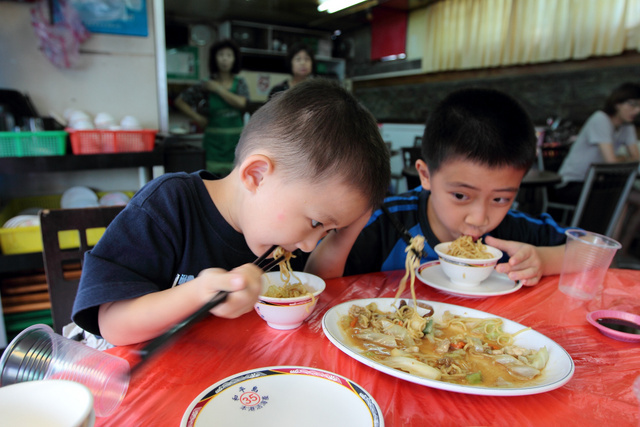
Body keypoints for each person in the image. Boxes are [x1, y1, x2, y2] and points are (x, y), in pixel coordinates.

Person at [72, 79, 390, 346]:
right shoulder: (168, 205)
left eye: (326, 231)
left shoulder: (283, 232)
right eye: (316, 223)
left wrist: (348, 226)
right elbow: (112, 324)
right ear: (256, 175)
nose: (309, 245)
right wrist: (198, 293)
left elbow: (315, 282)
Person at [305, 87, 569, 287]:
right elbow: (318, 280)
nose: (480, 218)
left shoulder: (511, 233)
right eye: (460, 195)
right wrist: (350, 227)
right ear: (425, 175)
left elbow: (592, 251)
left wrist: (543, 260)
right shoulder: (387, 221)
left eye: (500, 199)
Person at [552, 82, 640, 205]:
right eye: (632, 104)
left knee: (629, 196)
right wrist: (624, 158)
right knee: (620, 199)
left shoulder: (627, 126)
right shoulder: (600, 119)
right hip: (572, 183)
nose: (637, 110)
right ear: (617, 104)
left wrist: (622, 159)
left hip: (597, 181)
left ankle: (618, 225)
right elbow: (611, 162)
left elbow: (636, 160)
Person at [174, 39, 249, 175]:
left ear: (234, 59)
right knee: (212, 183)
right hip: (213, 146)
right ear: (214, 58)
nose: (224, 59)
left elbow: (241, 103)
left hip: (236, 144)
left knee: (237, 181)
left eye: (228, 55)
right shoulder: (205, 84)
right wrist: (197, 117)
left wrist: (218, 89)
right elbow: (179, 101)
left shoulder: (240, 83)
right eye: (221, 55)